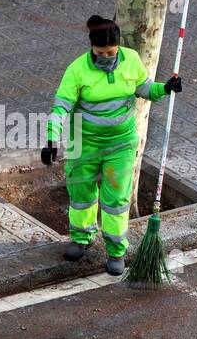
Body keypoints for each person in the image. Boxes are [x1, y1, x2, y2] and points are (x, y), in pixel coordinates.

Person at [40, 15, 183, 276]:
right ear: (91, 48)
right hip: (83, 144)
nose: (107, 56)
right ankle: (81, 239)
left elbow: (145, 89)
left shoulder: (131, 61)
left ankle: (116, 251)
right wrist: (51, 139)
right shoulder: (77, 70)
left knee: (116, 199)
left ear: (118, 46)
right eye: (101, 52)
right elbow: (61, 107)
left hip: (120, 145)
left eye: (111, 51)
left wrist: (166, 88)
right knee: (81, 195)